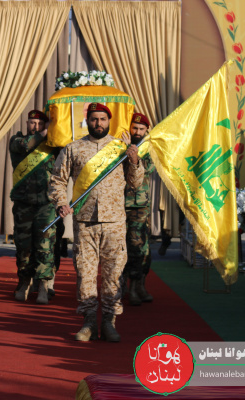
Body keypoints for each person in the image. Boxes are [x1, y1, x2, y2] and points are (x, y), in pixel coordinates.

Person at [48, 103, 143, 343]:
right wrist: (60, 202)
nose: (98, 123)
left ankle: (109, 321)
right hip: (85, 221)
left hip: (114, 221)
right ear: (87, 121)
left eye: (102, 119)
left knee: (113, 274)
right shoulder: (73, 148)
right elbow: (57, 179)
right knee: (85, 273)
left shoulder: (120, 148)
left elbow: (135, 183)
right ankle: (89, 322)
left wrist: (134, 161)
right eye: (94, 119)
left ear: (108, 121)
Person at [9, 110, 58, 304]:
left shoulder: (53, 146)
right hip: (23, 204)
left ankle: (44, 285)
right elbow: (26, 145)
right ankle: (24, 281)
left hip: (46, 204)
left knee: (45, 245)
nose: (35, 126)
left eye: (39, 123)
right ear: (26, 123)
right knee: (24, 246)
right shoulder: (17, 140)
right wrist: (45, 132)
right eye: (32, 122)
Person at [123, 113, 155, 306]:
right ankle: (123, 286)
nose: (137, 132)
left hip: (139, 206)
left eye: (141, 129)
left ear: (146, 131)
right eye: (134, 128)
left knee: (139, 246)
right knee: (121, 247)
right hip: (119, 204)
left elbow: (147, 169)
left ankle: (137, 285)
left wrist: (134, 154)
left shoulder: (149, 149)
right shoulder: (120, 145)